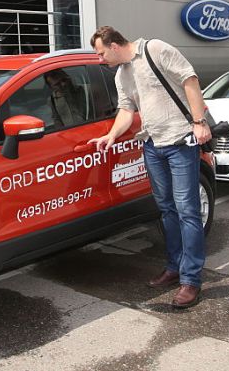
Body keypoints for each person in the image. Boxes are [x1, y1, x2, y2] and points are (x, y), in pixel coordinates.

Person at [88, 26, 211, 309]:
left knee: (187, 210)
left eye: (101, 53)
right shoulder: (122, 74)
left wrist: (199, 122)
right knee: (166, 208)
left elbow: (190, 80)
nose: (99, 59)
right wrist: (111, 135)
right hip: (153, 145)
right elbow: (126, 111)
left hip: (181, 140)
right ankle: (174, 266)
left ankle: (191, 280)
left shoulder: (155, 49)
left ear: (114, 45)